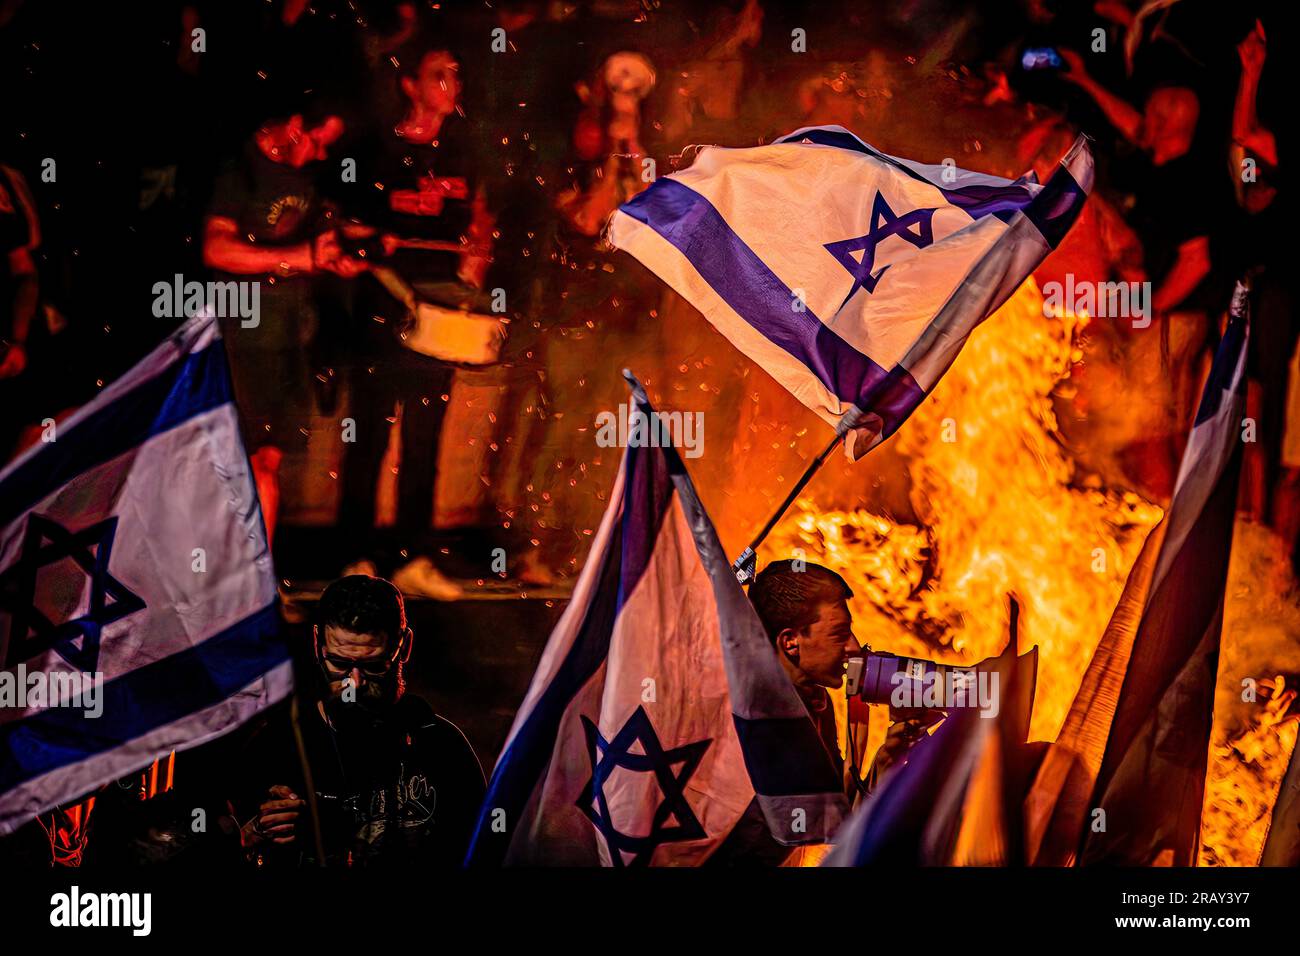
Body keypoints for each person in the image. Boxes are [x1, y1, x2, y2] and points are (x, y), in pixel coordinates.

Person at [337, 46, 492, 599]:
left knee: (426, 439)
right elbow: (345, 224)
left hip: (439, 314)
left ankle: (413, 559)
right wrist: (375, 242)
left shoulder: (463, 152)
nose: (452, 83)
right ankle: (355, 557)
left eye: (457, 73)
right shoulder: (375, 150)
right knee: (369, 437)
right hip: (382, 308)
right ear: (411, 86)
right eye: (439, 75)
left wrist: (476, 254)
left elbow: (477, 221)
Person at [202, 105, 369, 545]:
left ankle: (258, 582)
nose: (319, 154)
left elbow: (315, 244)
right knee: (236, 464)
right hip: (243, 338)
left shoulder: (308, 177)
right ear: (295, 126)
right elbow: (216, 249)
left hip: (292, 337)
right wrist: (297, 258)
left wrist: (338, 257)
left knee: (269, 464)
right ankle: (219, 580)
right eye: (317, 142)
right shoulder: (239, 169)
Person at [237, 575, 486, 866]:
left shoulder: (440, 745)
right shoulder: (278, 744)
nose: (354, 683)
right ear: (317, 644)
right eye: (340, 664)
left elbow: (483, 852)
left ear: (404, 647)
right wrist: (255, 831)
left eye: (374, 666)